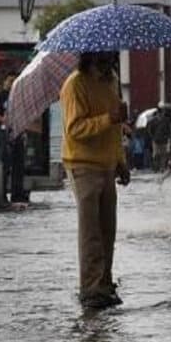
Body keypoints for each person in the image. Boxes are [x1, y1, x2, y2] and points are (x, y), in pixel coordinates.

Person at [60, 51, 130, 309]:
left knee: (107, 230)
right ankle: (91, 289)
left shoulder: (111, 82)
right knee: (91, 232)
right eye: (102, 62)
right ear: (90, 59)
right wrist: (108, 118)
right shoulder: (75, 85)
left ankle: (105, 282)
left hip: (107, 165)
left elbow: (114, 129)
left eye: (110, 61)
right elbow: (75, 129)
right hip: (83, 164)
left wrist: (120, 160)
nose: (107, 67)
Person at [0, 72, 17, 204]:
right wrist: (3, 120)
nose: (11, 83)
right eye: (9, 81)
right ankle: (2, 193)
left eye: (14, 81)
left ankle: (17, 193)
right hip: (2, 131)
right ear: (4, 82)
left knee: (15, 163)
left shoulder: (17, 95)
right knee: (3, 162)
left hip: (15, 131)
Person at [146, 107, 171, 172]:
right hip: (156, 140)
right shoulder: (153, 121)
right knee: (156, 154)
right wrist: (153, 137)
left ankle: (162, 168)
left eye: (161, 113)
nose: (160, 114)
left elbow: (168, 130)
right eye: (159, 113)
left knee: (163, 154)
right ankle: (156, 167)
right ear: (158, 113)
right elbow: (150, 130)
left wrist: (168, 137)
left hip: (164, 140)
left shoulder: (166, 120)